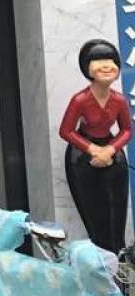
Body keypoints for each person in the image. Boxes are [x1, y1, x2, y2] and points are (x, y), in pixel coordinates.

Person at [59, 37, 132, 254]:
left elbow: (127, 130)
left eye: (111, 61)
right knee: (93, 212)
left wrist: (109, 150)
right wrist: (93, 150)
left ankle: (118, 257)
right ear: (87, 68)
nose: (106, 66)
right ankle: (98, 255)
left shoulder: (119, 100)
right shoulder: (80, 100)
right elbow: (66, 131)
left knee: (116, 210)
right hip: (82, 155)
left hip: (111, 152)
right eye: (99, 61)